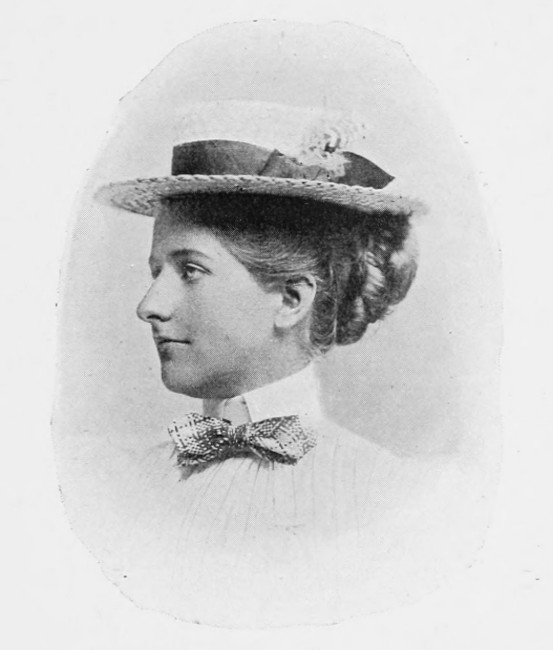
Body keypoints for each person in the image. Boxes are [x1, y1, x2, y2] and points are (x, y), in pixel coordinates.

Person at [94, 116, 463, 627]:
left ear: (291, 299)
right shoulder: (118, 491)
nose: (149, 305)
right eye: (157, 272)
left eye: (190, 270)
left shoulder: (392, 498)